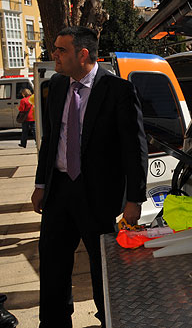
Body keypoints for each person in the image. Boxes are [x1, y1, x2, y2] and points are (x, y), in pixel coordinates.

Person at [31, 26, 148, 327]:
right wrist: (41, 184)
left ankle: (110, 320)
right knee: (53, 264)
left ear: (83, 54)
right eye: (55, 49)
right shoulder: (57, 85)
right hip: (59, 192)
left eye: (61, 50)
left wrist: (134, 199)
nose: (54, 55)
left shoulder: (118, 90)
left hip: (97, 196)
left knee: (103, 269)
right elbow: (51, 139)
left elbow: (134, 149)